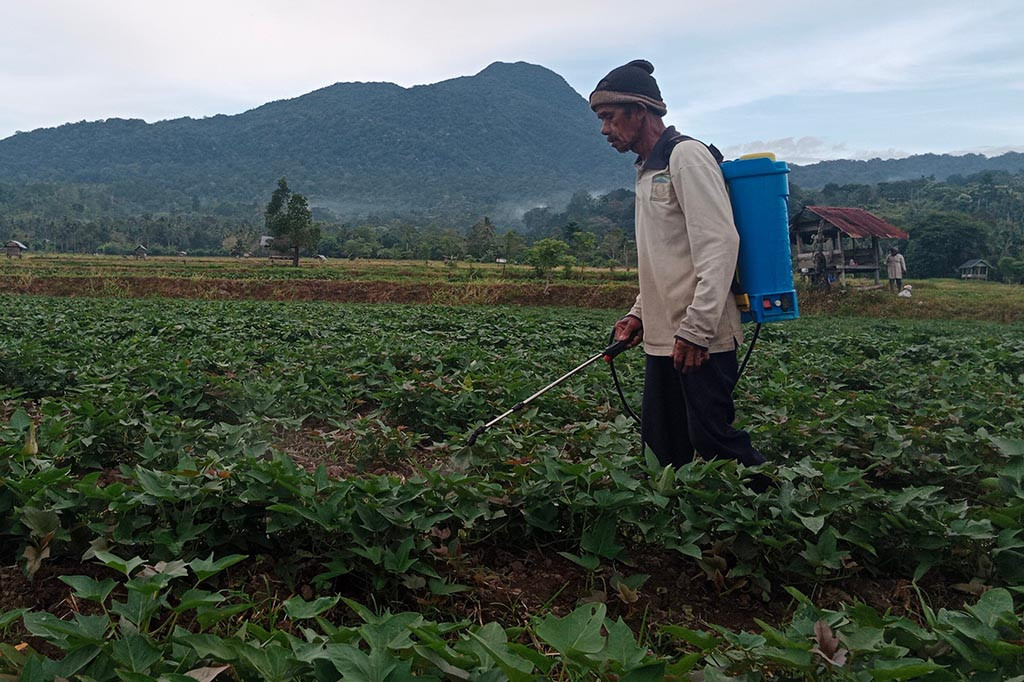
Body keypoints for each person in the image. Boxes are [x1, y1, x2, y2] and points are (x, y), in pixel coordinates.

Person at [589, 59, 767, 486]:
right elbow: (664, 258)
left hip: (698, 336)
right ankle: (677, 530)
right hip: (664, 335)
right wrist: (638, 313)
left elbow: (719, 245)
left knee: (712, 439)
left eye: (609, 118)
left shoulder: (686, 157)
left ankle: (773, 511)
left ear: (640, 111)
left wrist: (697, 329)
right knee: (662, 441)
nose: (604, 130)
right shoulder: (646, 169)